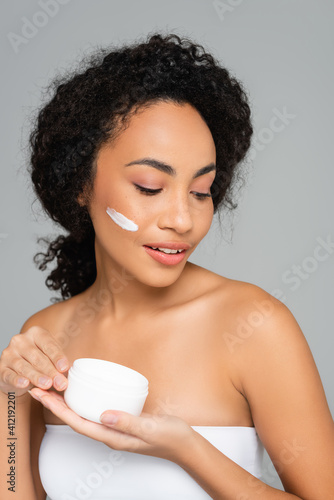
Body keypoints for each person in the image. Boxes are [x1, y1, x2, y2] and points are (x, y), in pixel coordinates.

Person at [0, 33, 333, 500]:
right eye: (151, 186)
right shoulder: (47, 335)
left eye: (201, 192)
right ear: (80, 183)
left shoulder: (255, 325)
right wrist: (11, 398)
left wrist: (187, 449)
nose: (182, 219)